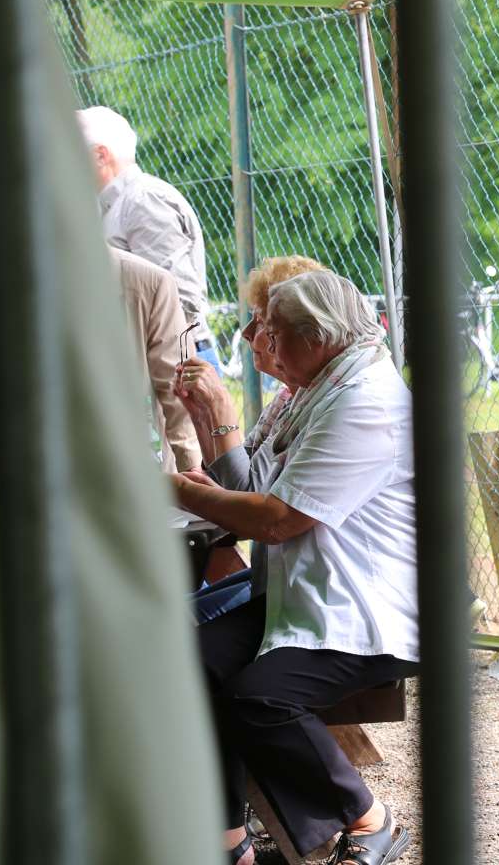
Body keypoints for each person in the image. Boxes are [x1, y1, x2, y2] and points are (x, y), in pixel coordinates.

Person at [170, 271, 416, 865]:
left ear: (323, 336)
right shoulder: (306, 391)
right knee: (187, 665)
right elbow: (250, 487)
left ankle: (370, 817)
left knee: (258, 698)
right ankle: (229, 843)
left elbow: (275, 519)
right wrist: (214, 431)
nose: (260, 342)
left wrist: (178, 490)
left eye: (275, 332)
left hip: (367, 610)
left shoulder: (366, 402)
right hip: (299, 597)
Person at [174, 254, 327, 623]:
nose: (246, 334)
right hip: (279, 576)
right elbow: (229, 482)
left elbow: (250, 495)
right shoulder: (288, 397)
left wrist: (221, 409)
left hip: (308, 594)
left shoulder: (311, 401)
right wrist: (203, 415)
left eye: (259, 322)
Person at [78, 105, 221, 372]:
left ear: (100, 155)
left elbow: (178, 299)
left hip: (176, 367)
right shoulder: (113, 207)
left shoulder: (143, 202)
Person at [108, 245, 202, 474]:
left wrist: (190, 465)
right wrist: (191, 467)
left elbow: (178, 387)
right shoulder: (147, 281)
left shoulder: (149, 283)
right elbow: (178, 385)